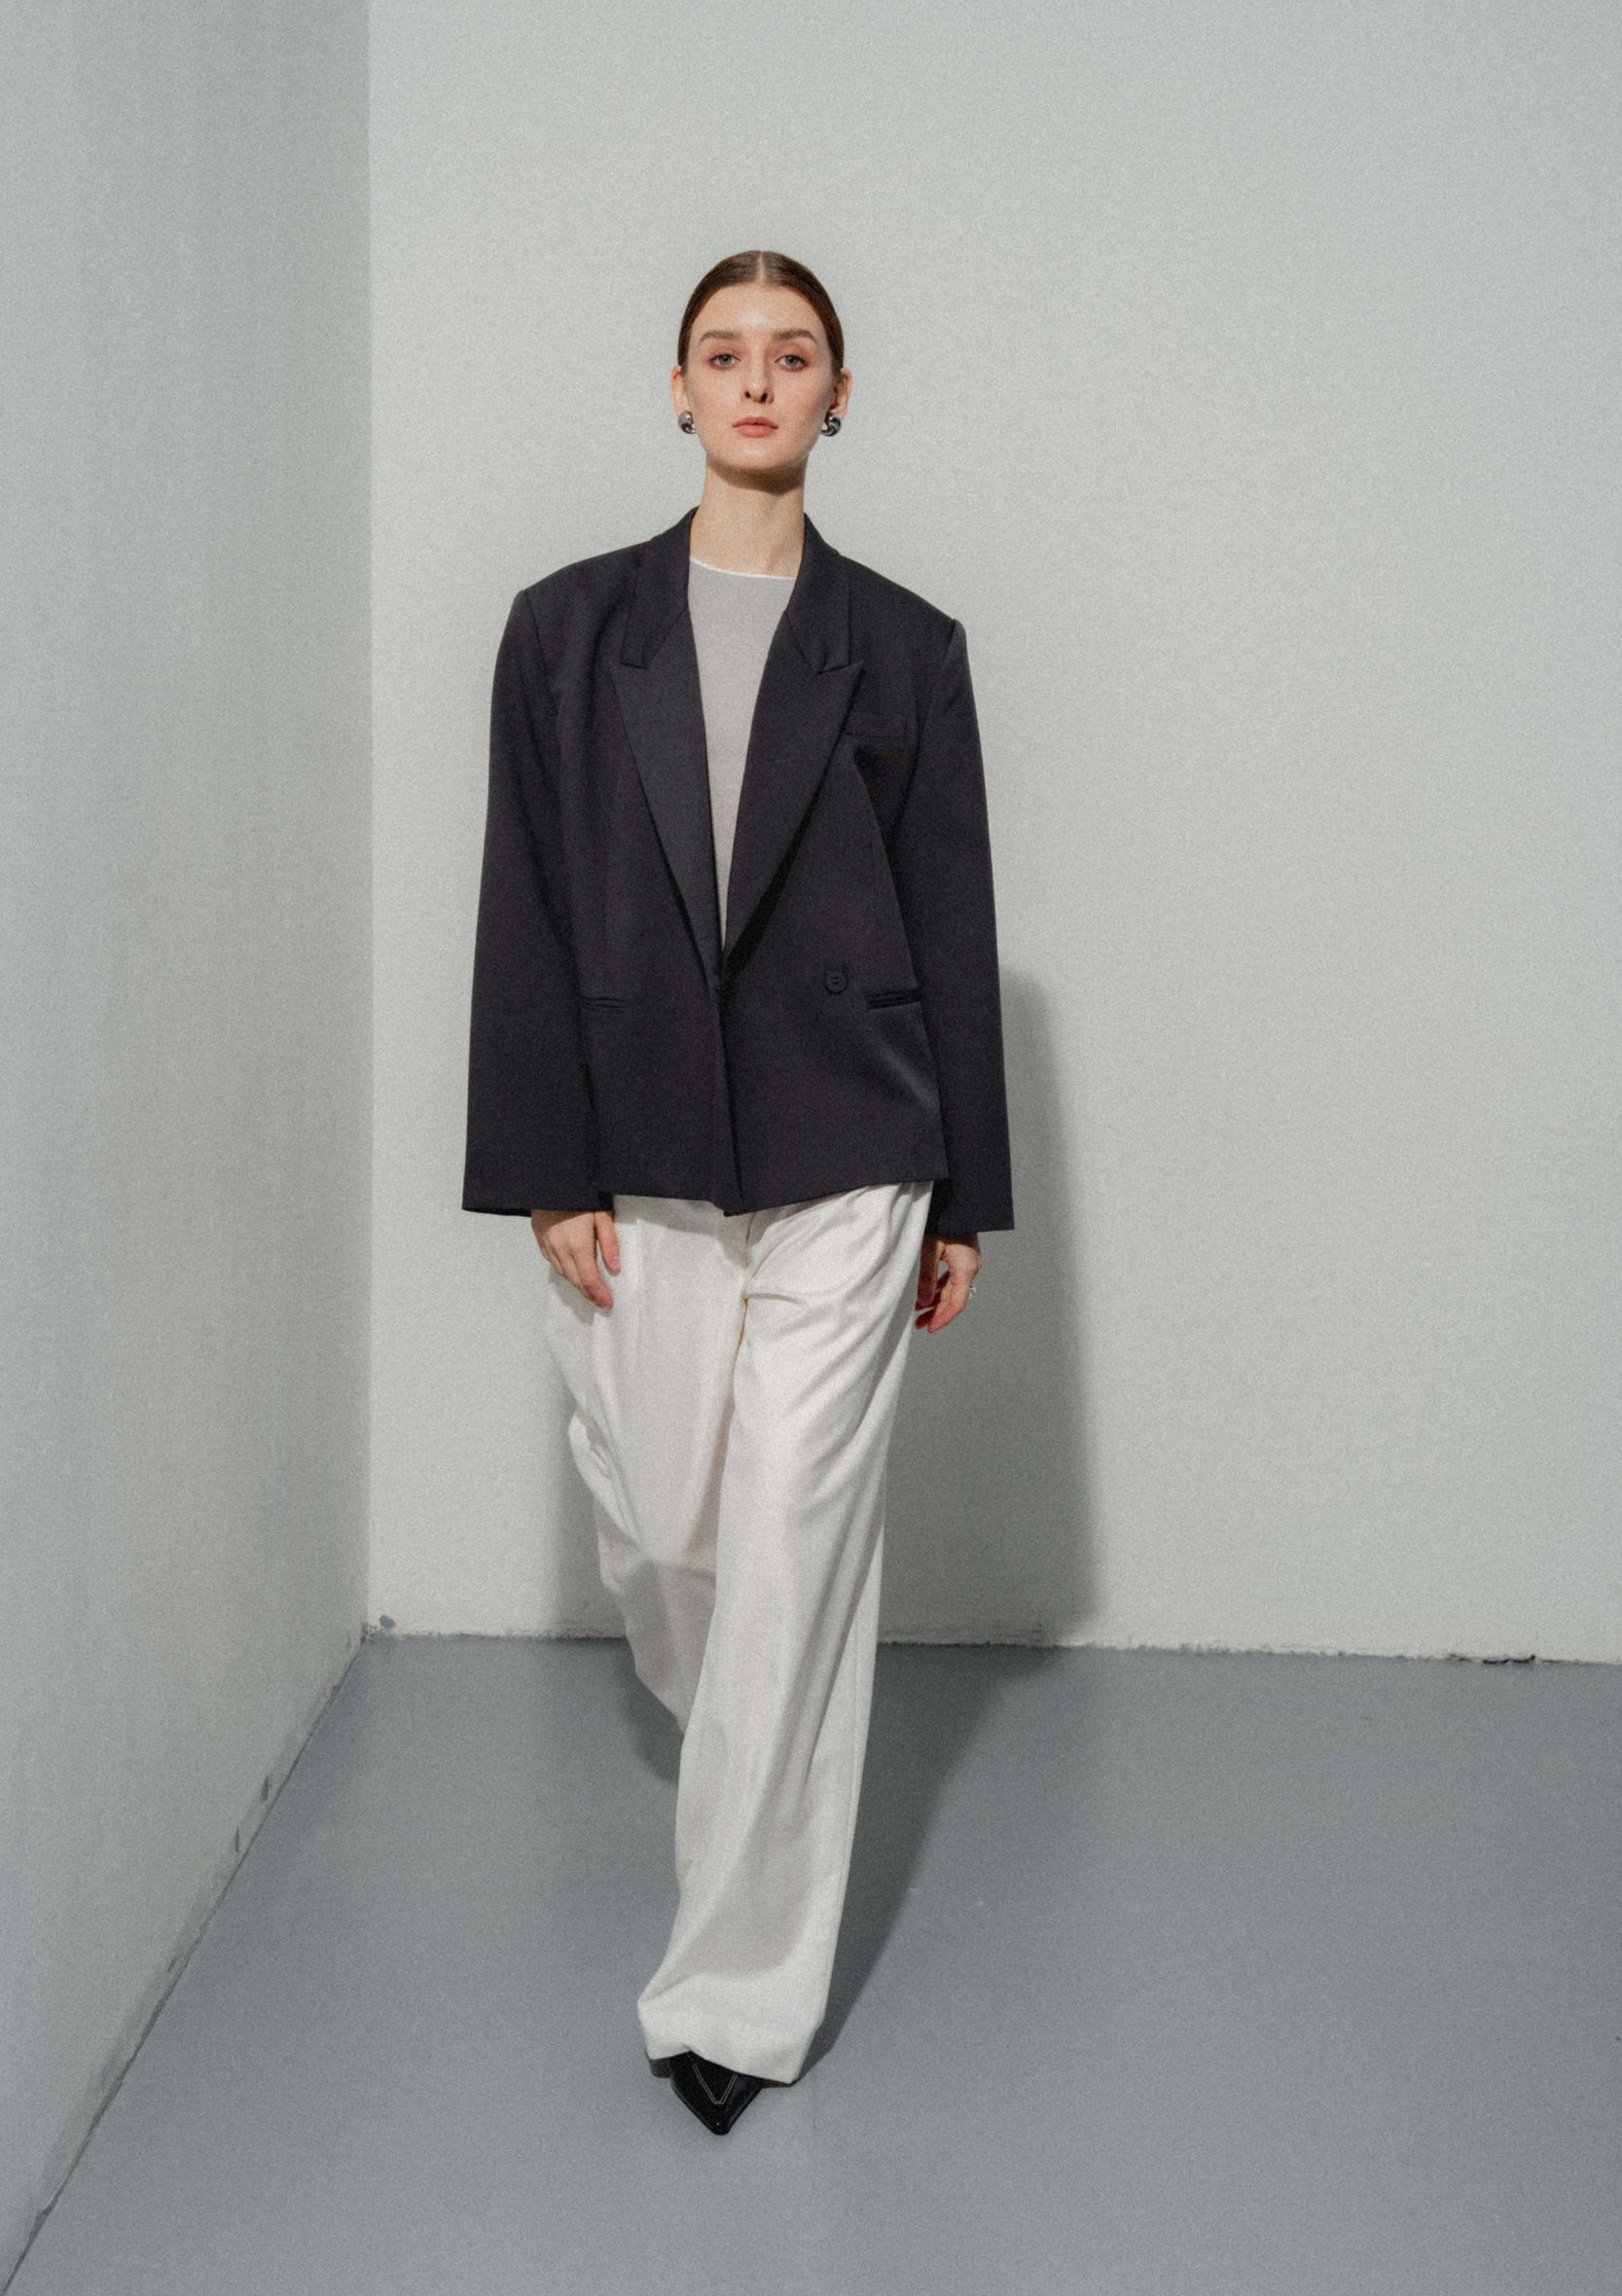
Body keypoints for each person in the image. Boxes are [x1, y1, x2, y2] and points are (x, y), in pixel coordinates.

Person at [462, 248, 1014, 2136]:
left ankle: (733, 1997)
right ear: (680, 386)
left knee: (790, 1547)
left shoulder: (909, 646)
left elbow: (951, 916)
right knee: (670, 1530)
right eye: (724, 351)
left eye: (793, 355)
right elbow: (524, 900)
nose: (758, 379)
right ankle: (746, 1752)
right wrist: (544, 1161)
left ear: (839, 394)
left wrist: (964, 1192)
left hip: (856, 1139)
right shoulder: (564, 630)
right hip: (634, 1142)